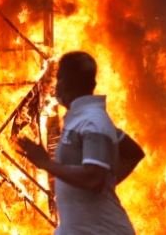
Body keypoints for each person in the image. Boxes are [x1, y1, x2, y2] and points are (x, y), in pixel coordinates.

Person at [18, 52, 141, 235]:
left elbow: (93, 178)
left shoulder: (91, 122)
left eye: (58, 79)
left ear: (67, 83)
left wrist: (46, 164)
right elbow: (132, 153)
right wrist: (106, 183)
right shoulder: (83, 119)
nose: (55, 87)